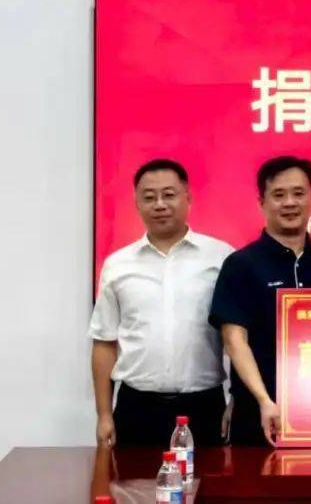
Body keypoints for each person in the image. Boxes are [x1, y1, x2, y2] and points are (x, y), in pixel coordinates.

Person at [209, 155, 311, 445]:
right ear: (261, 203)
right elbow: (234, 340)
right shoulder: (241, 264)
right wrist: (264, 400)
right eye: (279, 195)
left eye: (298, 193)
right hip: (260, 413)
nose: (290, 203)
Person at [89, 158, 233, 447]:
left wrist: (235, 400)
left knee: (208, 478)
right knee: (130, 478)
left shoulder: (222, 258)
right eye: (149, 197)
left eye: (169, 195)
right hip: (136, 407)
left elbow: (240, 339)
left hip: (204, 407)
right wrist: (104, 415)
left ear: (187, 198)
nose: (159, 204)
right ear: (137, 203)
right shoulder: (118, 265)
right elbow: (104, 342)